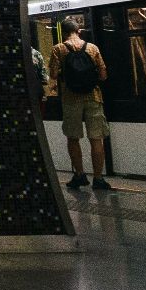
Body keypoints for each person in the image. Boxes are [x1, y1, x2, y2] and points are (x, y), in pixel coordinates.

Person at [46, 20, 112, 190]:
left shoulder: (58, 49)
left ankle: (80, 175)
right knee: (96, 138)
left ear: (64, 32)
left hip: (70, 98)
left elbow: (53, 75)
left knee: (73, 137)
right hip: (94, 96)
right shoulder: (92, 48)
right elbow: (104, 75)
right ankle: (98, 179)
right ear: (78, 30)